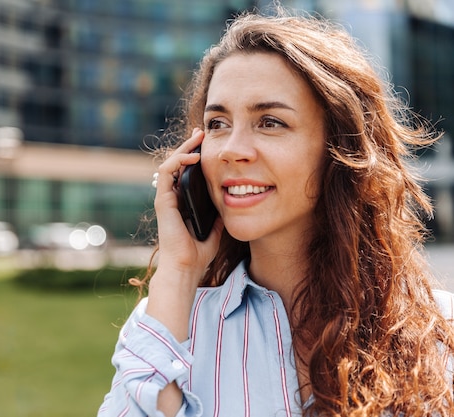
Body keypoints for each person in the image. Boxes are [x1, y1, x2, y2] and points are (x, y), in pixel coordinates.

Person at [98, 8, 454, 417]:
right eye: (217, 124)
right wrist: (178, 271)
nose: (231, 149)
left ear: (342, 149)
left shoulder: (440, 331)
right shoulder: (165, 328)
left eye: (269, 122)